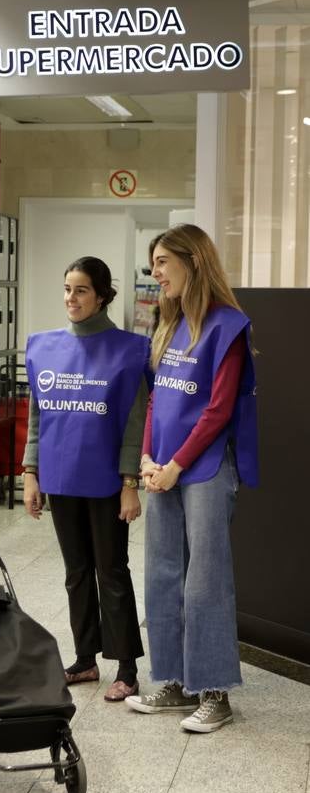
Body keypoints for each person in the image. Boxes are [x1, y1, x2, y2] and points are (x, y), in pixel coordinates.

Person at [126, 224, 258, 733]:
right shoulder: (170, 322)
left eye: (162, 262)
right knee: (162, 574)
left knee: (204, 581)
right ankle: (177, 683)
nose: (154, 272)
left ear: (193, 262)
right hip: (162, 468)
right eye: (153, 262)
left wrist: (176, 464)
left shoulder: (228, 326)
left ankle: (216, 692)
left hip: (201, 469)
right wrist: (145, 460)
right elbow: (158, 398)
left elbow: (218, 409)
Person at [23, 257, 149, 702]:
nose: (70, 299)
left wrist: (130, 481)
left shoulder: (131, 351)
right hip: (60, 477)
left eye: (80, 290)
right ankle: (84, 658)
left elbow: (135, 423)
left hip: (106, 481)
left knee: (111, 571)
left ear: (100, 295)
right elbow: (37, 419)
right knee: (76, 572)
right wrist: (31, 473)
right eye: (66, 289)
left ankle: (128, 667)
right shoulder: (42, 347)